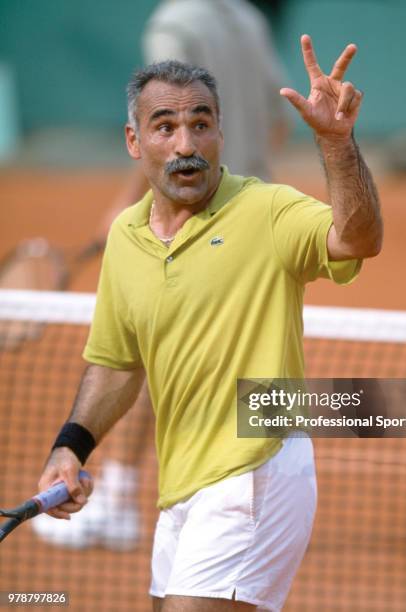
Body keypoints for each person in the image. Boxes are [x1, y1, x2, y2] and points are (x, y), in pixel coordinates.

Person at [37, 35, 382, 611]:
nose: (186, 144)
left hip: (256, 473)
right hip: (180, 488)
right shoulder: (127, 236)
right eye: (165, 126)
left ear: (221, 133)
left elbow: (358, 238)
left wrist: (336, 144)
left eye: (201, 124)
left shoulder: (267, 211)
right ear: (134, 140)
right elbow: (118, 363)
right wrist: (72, 445)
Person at [32, 0, 292, 551]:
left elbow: (165, 130)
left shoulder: (174, 24)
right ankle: (258, 493)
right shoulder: (246, 18)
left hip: (191, 213)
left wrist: (135, 212)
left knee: (158, 351)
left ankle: (120, 500)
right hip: (248, 207)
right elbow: (277, 123)